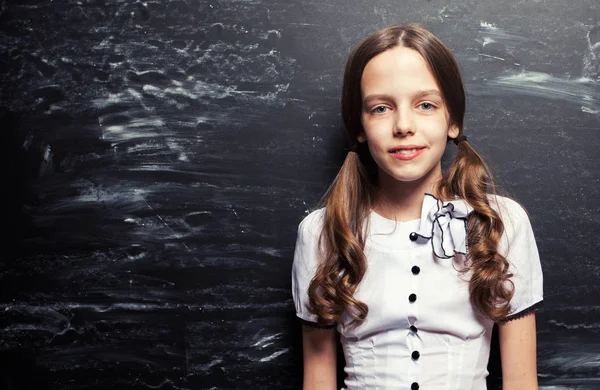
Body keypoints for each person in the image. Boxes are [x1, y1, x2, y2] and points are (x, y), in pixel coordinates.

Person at [291, 24, 543, 390]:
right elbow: (317, 377)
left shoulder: (501, 223)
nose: (403, 125)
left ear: (453, 120)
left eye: (425, 105)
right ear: (359, 125)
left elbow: (521, 381)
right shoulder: (321, 232)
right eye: (381, 108)